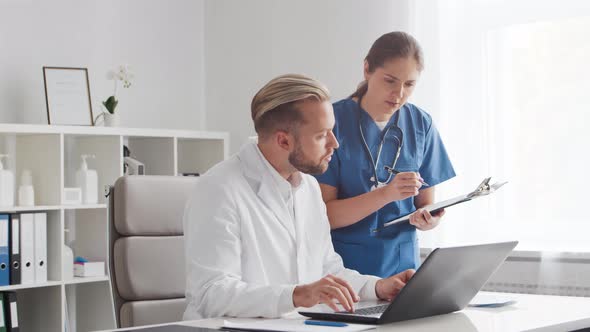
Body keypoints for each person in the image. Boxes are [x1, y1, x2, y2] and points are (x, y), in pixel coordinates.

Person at [183, 74, 415, 320]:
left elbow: (327, 269)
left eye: (332, 132)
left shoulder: (308, 187)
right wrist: (296, 296)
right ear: (283, 140)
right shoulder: (218, 189)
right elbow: (211, 294)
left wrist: (377, 287)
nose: (334, 144)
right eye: (321, 135)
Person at [314, 31, 455, 278]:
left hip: (404, 269)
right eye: (390, 80)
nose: (399, 93)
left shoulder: (421, 124)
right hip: (346, 271)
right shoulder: (332, 123)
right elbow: (324, 216)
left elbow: (425, 205)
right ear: (367, 69)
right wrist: (385, 194)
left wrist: (429, 220)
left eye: (409, 84)